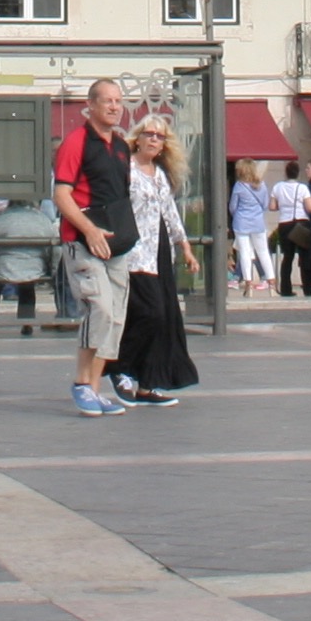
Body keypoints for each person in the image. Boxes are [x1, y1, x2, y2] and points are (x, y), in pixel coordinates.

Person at [53, 77, 139, 416]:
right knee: (99, 308)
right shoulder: (76, 142)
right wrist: (88, 230)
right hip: (83, 240)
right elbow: (61, 194)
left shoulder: (120, 145)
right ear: (90, 105)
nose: (115, 107)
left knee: (116, 316)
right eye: (108, 101)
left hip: (116, 241)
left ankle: (95, 387)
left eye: (119, 101)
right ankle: (80, 383)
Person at [110, 116, 198, 405]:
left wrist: (184, 246)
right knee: (149, 313)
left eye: (159, 136)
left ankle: (147, 382)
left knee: (162, 319)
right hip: (132, 253)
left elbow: (169, 212)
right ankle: (121, 368)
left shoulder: (158, 174)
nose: (153, 139)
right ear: (138, 138)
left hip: (157, 253)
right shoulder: (126, 170)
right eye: (148, 134)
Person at [0, 194, 56, 332]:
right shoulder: (42, 219)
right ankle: (27, 322)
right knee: (28, 285)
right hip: (35, 265)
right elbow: (53, 244)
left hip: (3, 266)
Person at [267, 159, 311, 297]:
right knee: (304, 257)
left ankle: (286, 289)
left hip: (285, 223)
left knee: (287, 257)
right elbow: (310, 207)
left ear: (286, 173)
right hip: (301, 223)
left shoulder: (278, 187)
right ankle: (307, 288)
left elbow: (272, 207)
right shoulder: (303, 188)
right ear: (297, 173)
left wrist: (282, 206)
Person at [227, 160, 272, 292]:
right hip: (258, 223)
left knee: (245, 252)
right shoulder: (261, 185)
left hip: (241, 223)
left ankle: (248, 282)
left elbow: (233, 207)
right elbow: (265, 205)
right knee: (263, 252)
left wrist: (238, 215)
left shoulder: (239, 186)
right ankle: (271, 281)